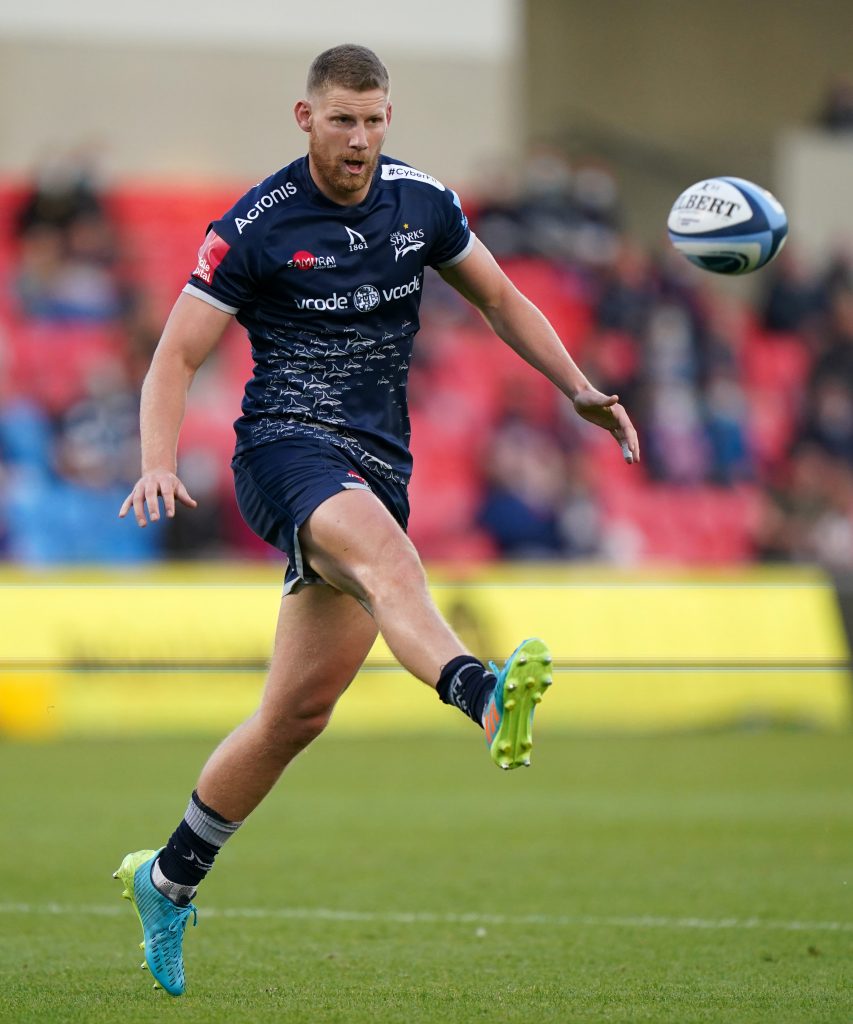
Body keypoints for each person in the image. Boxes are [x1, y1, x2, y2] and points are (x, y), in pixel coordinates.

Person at [113, 43, 640, 997]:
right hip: (282, 451)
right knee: (393, 562)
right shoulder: (256, 226)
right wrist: (155, 460)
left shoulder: (421, 203)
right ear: (304, 118)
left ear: (388, 120)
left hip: (377, 464)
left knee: (295, 714)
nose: (359, 138)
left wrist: (576, 390)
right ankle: (483, 695)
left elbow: (500, 297)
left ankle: (167, 878)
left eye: (374, 119)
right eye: (341, 119)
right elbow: (174, 357)